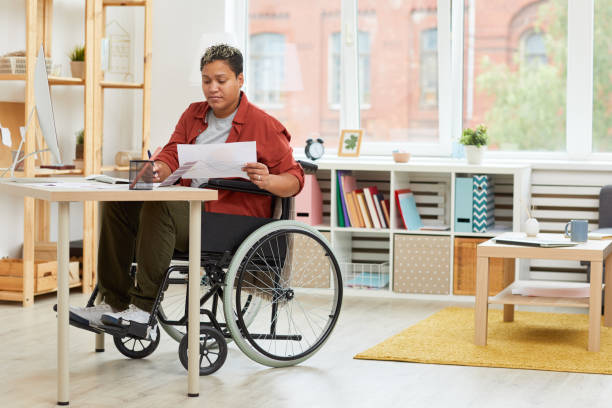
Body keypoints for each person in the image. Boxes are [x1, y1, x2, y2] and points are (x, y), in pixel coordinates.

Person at [71, 44, 304, 339]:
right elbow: (171, 153)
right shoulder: (193, 113)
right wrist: (157, 170)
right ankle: (114, 304)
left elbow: (295, 178)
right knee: (118, 201)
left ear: (240, 80)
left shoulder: (264, 125)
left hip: (228, 222)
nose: (213, 88)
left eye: (221, 80)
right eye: (207, 80)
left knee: (163, 206)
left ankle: (142, 311)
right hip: (189, 211)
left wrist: (269, 180)